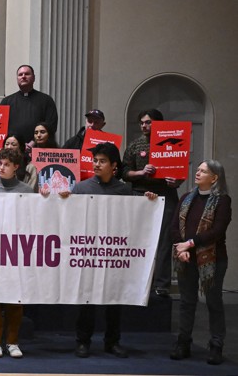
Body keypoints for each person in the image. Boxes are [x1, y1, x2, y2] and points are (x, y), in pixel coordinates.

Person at [64, 142, 156, 359]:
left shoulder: (124, 190)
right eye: (95, 160)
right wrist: (61, 200)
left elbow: (134, 219)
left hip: (112, 254)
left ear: (114, 165)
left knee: (114, 300)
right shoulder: (81, 188)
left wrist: (149, 202)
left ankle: (112, 342)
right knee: (86, 300)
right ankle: (83, 342)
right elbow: (68, 218)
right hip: (87, 253)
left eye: (102, 161)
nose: (96, 164)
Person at [169, 160, 232, 365]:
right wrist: (181, 247)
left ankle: (215, 345)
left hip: (213, 259)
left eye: (203, 171)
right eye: (197, 170)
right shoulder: (187, 198)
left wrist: (189, 243)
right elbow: (174, 227)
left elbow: (217, 231)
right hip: (186, 257)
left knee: (213, 302)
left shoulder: (222, 201)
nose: (197, 173)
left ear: (214, 178)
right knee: (187, 302)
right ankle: (183, 343)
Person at [0, 148, 35, 358]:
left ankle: (12, 341)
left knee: (15, 297)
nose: (1, 167)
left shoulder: (27, 192)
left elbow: (32, 220)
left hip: (17, 250)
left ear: (16, 167)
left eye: (6, 164)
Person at [121, 109, 183, 298]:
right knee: (138, 240)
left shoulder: (174, 142)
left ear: (159, 123)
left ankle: (162, 285)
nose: (144, 126)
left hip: (166, 194)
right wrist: (140, 173)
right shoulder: (135, 145)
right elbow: (124, 172)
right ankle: (136, 282)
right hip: (140, 194)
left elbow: (179, 172)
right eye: (142, 122)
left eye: (148, 122)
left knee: (164, 241)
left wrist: (177, 181)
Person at [0, 65, 58, 147]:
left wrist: (34, 142)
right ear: (17, 79)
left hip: (38, 148)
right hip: (13, 149)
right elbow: (0, 128)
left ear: (34, 78)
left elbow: (51, 126)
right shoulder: (6, 101)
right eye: (20, 74)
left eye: (27, 74)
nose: (23, 76)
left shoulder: (46, 100)